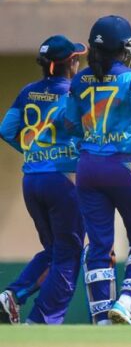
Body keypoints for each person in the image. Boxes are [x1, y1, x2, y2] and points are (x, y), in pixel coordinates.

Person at [65, 15, 131, 326]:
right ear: (122, 47)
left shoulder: (79, 81)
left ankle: (101, 319)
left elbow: (69, 124)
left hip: (87, 168)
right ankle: (126, 302)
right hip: (123, 166)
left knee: (99, 246)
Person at [0, 36, 86, 324]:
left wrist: (35, 153)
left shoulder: (28, 91)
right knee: (69, 254)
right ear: (70, 63)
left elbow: (7, 129)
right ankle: (42, 320)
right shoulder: (74, 93)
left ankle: (13, 296)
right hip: (62, 180)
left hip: (32, 180)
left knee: (54, 251)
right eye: (77, 58)